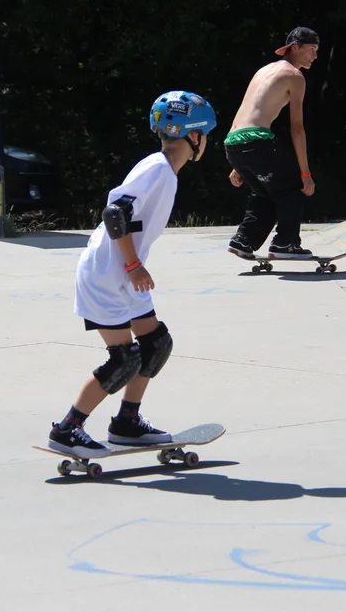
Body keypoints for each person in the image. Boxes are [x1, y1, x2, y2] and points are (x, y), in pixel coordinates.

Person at [47, 90, 218, 459]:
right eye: (206, 135)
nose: (206, 142)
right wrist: (133, 264)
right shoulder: (156, 168)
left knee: (156, 344)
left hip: (123, 274)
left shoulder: (165, 173)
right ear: (194, 135)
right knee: (124, 360)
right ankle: (68, 429)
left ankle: (127, 422)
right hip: (106, 275)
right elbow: (114, 215)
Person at [224, 26, 319, 261]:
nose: (315, 56)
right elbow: (297, 128)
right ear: (294, 48)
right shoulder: (295, 77)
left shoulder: (264, 71)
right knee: (292, 186)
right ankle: (285, 244)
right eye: (311, 50)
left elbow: (250, 113)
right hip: (255, 142)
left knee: (265, 191)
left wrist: (239, 163)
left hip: (233, 143)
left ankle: (243, 241)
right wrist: (305, 173)